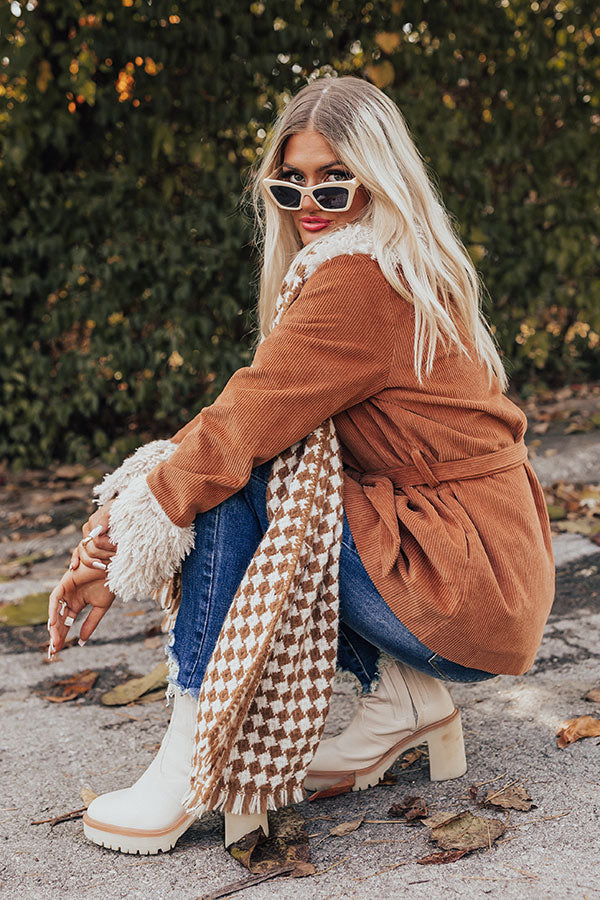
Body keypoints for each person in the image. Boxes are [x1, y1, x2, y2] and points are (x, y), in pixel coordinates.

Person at [47, 75, 554, 857]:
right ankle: (404, 701)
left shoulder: (359, 281)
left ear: (378, 178)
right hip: (486, 568)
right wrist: (105, 533)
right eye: (290, 182)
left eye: (334, 179)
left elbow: (232, 438)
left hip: (461, 582)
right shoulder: (396, 261)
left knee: (243, 480)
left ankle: (195, 748)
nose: (309, 202)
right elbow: (247, 406)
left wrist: (116, 544)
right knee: (267, 456)